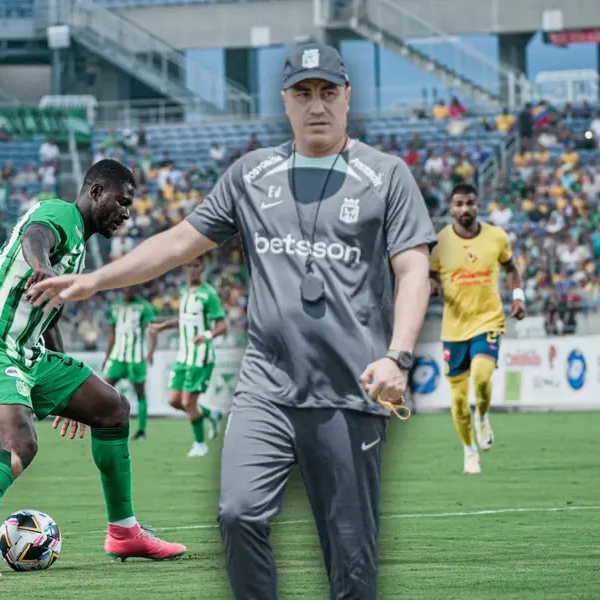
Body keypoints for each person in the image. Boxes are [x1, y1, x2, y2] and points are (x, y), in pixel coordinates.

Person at [27, 41, 436, 600]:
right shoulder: (252, 174)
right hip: (266, 389)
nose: (316, 105)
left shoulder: (387, 175)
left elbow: (414, 271)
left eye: (327, 92)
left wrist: (399, 355)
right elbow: (177, 244)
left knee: (352, 558)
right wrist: (95, 279)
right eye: (303, 93)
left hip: (350, 391)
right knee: (239, 514)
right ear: (286, 102)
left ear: (347, 97)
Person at [0, 158, 188, 578]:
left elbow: (48, 319)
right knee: (20, 441)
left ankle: (124, 532)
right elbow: (34, 236)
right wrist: (42, 267)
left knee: (112, 409)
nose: (126, 212)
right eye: (122, 201)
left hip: (28, 354)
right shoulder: (61, 214)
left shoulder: (78, 251)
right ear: (95, 192)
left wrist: (57, 393)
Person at [429, 183, 526, 475]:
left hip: (488, 320)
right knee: (458, 402)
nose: (465, 209)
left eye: (470, 203)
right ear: (451, 207)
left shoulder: (496, 237)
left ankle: (482, 416)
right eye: (459, 204)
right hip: (454, 328)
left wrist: (518, 297)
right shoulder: (439, 242)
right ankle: (469, 450)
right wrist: (432, 285)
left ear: (477, 204)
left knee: (482, 378)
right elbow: (428, 275)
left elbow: (512, 269)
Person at [147, 257, 228, 456]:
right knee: (174, 400)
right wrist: (162, 326)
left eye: (197, 266)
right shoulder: (184, 292)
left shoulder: (208, 294)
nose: (192, 270)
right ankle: (212, 414)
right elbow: (183, 320)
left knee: (188, 402)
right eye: (189, 266)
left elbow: (223, 325)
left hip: (201, 356)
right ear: (184, 268)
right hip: (184, 356)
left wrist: (207, 335)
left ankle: (200, 445)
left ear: (203, 268)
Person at [102, 286, 157, 441]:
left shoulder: (144, 307)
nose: (129, 289)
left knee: (140, 393)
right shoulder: (115, 306)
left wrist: (151, 352)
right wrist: (107, 356)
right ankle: (105, 425)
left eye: (133, 286)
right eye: (126, 286)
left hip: (136, 357)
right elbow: (112, 332)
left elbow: (152, 331)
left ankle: (141, 431)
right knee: (105, 390)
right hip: (117, 356)